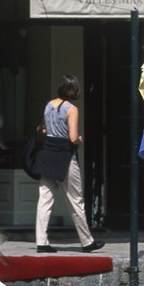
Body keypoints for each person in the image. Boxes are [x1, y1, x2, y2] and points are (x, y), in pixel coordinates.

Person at [34, 75, 102, 254]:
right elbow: (72, 137)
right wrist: (79, 139)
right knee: (75, 199)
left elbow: (41, 129)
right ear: (74, 90)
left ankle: (41, 241)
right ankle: (86, 241)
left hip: (48, 152)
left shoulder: (49, 105)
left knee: (45, 199)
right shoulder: (71, 109)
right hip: (64, 155)